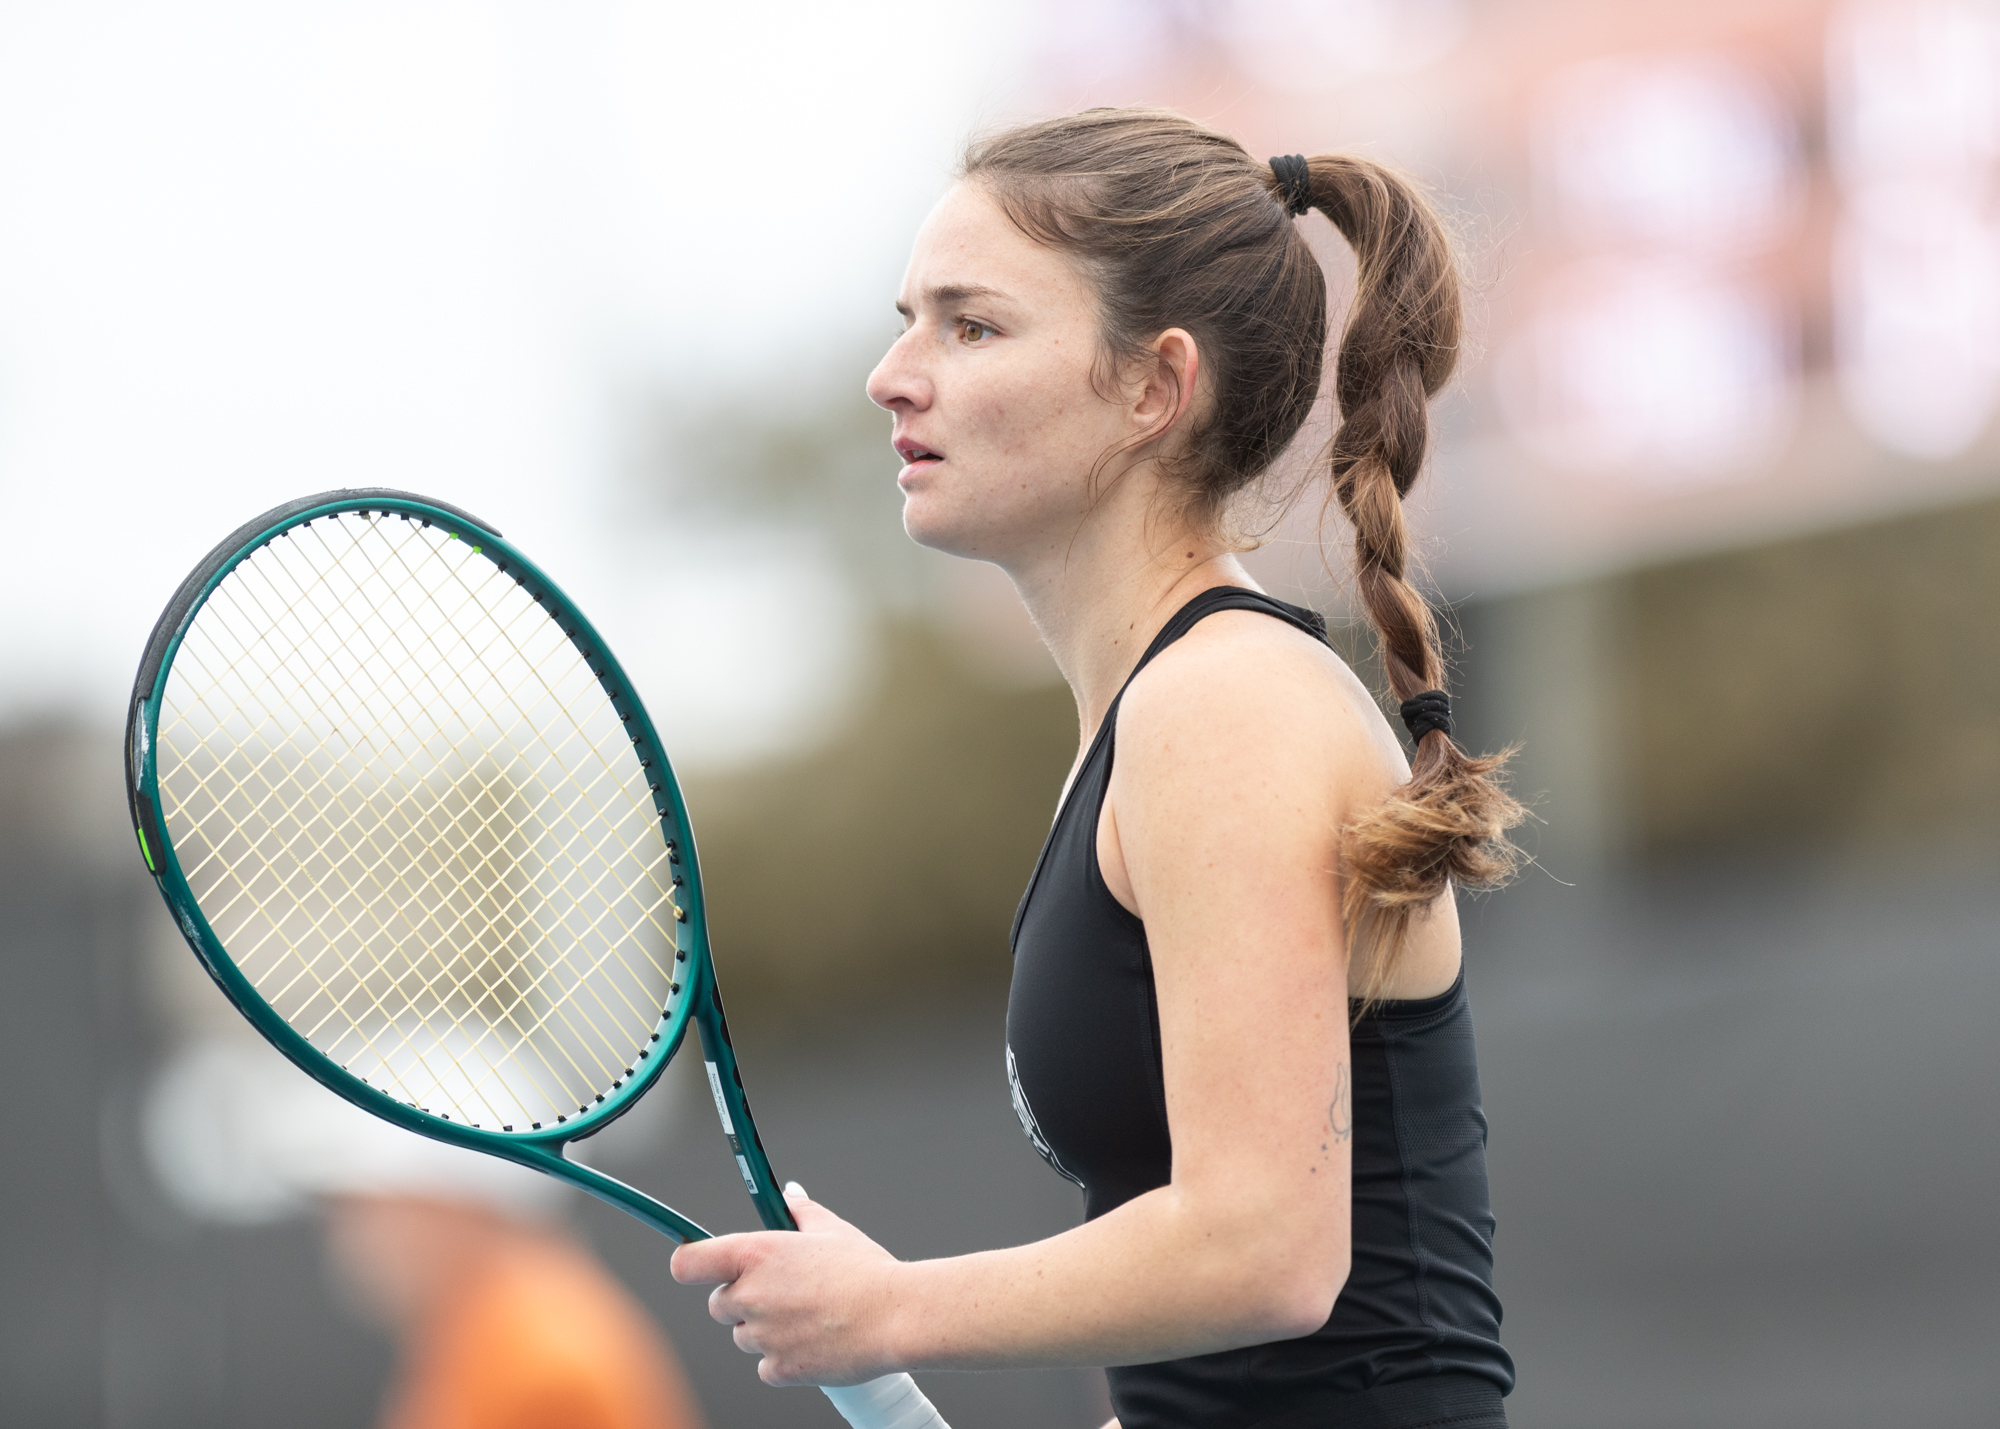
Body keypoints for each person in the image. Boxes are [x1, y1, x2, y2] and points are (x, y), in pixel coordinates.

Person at [672, 106, 1524, 1429]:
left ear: (1153, 387)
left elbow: (1267, 1251)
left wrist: (888, 1304)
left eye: (973, 324)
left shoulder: (1224, 706)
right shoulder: (1153, 718)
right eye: (911, 317)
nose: (894, 373)